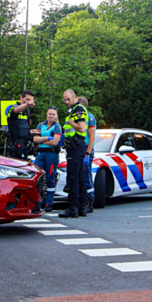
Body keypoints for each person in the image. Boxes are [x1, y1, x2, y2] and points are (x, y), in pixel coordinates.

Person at [59, 89, 90, 219]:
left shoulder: (78, 109)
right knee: (80, 177)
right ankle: (82, 207)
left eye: (68, 99)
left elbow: (81, 127)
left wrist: (71, 121)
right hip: (76, 145)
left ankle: (73, 208)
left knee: (73, 178)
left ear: (74, 97)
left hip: (76, 145)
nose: (66, 102)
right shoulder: (75, 109)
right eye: (64, 100)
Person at [32, 107, 62, 212]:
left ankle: (49, 202)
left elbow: (55, 142)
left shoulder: (57, 126)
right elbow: (35, 139)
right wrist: (47, 138)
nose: (51, 116)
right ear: (47, 114)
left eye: (53, 114)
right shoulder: (41, 125)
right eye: (50, 114)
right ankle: (40, 201)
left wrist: (42, 140)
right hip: (40, 154)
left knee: (50, 178)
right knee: (38, 178)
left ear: (56, 116)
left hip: (52, 155)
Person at [78, 96, 97, 213]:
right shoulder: (81, 117)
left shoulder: (89, 117)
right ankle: (83, 200)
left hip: (86, 149)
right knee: (81, 176)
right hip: (79, 148)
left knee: (86, 176)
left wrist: (87, 153)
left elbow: (92, 137)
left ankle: (90, 202)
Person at [4, 90, 36, 160]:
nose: (29, 102)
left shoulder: (27, 111)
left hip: (25, 143)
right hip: (15, 144)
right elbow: (16, 110)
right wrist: (27, 104)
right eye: (27, 100)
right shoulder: (12, 107)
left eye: (31, 100)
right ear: (21, 98)